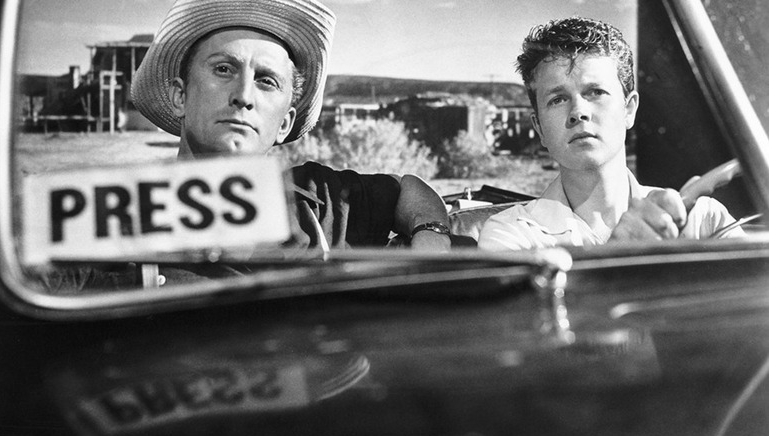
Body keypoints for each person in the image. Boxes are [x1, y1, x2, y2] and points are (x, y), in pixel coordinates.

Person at [130, 0, 451, 254]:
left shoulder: (317, 199)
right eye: (224, 69)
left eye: (266, 81)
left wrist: (432, 234)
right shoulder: (120, 217)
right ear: (180, 96)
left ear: (284, 123)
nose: (243, 96)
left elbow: (407, 190)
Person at [478, 17, 743, 251]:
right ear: (539, 128)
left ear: (629, 110)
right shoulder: (511, 234)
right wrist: (620, 254)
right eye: (558, 99)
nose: (578, 112)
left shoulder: (704, 220)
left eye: (596, 92)